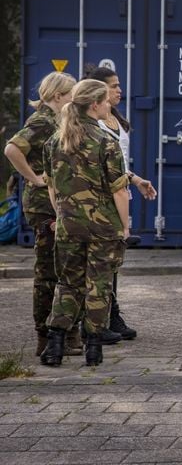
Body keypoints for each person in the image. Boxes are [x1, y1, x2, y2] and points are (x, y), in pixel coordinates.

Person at [39, 79, 130, 367]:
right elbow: (119, 190)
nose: (108, 106)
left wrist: (65, 215)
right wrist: (124, 226)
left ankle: (54, 345)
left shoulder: (56, 141)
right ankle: (93, 349)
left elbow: (51, 187)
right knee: (99, 285)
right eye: (105, 101)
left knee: (68, 284)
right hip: (103, 227)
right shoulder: (106, 142)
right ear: (94, 104)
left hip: (68, 226)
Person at [4, 71, 77, 357]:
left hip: (53, 203)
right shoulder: (42, 121)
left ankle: (64, 332)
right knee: (48, 270)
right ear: (58, 96)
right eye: (70, 94)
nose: (73, 99)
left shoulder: (56, 120)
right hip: (43, 205)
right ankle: (44, 336)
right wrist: (34, 178)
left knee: (63, 267)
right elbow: (11, 148)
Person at [87, 67, 158, 344]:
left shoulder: (114, 117)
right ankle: (99, 318)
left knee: (114, 261)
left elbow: (120, 163)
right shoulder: (95, 123)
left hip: (122, 189)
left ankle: (111, 314)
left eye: (119, 86)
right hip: (103, 198)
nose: (119, 90)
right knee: (103, 262)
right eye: (113, 86)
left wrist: (137, 180)